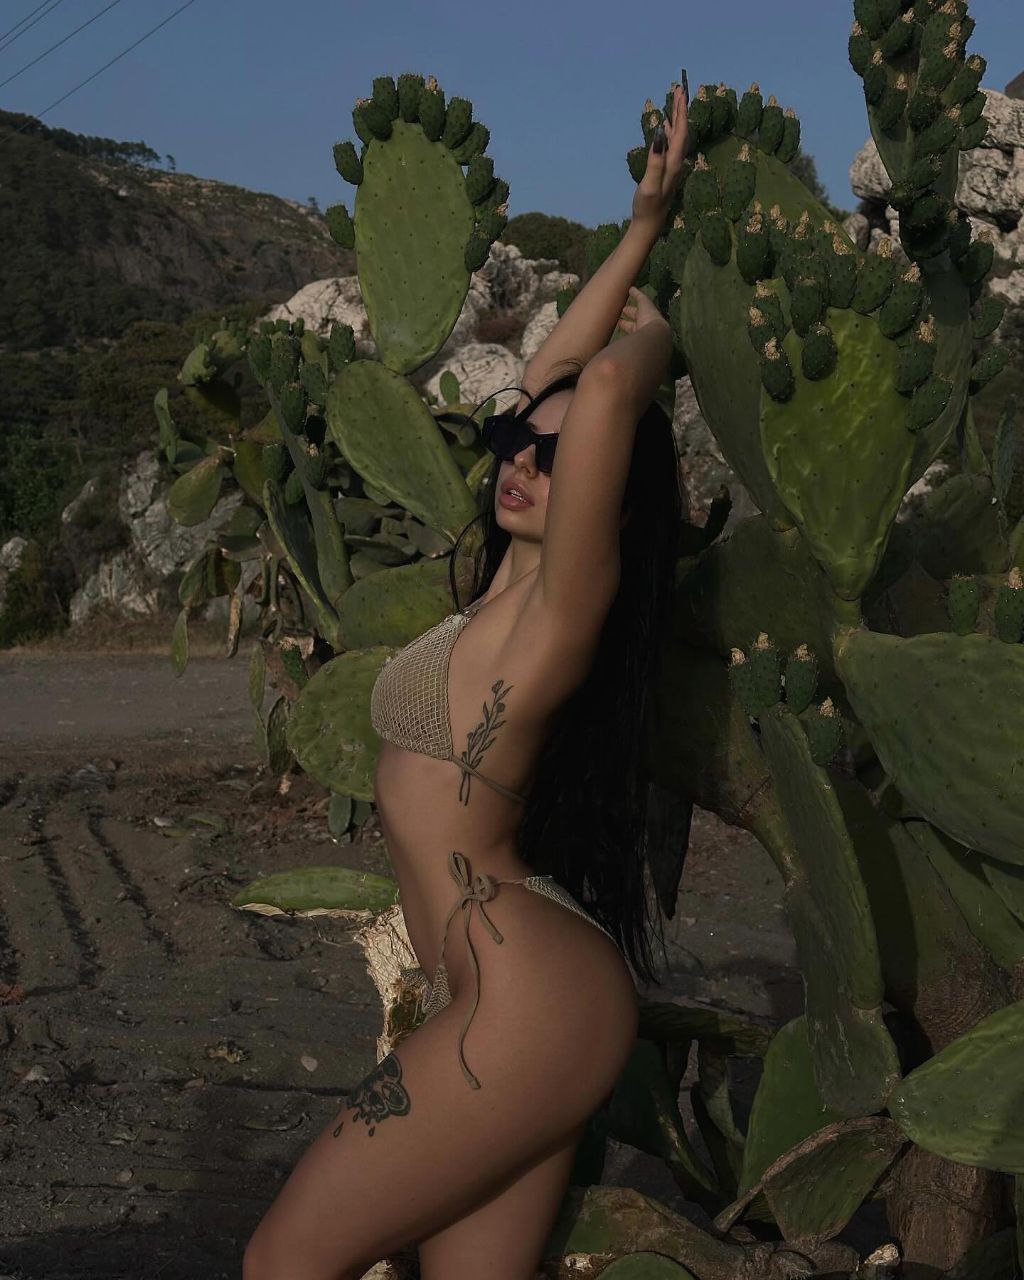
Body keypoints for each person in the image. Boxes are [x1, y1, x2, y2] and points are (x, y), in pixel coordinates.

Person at [244, 77, 689, 1280]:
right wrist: (639, 229)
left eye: (557, 458)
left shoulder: (561, 613)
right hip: (500, 994)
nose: (524, 463)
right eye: (515, 443)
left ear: (604, 490)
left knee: (281, 1263)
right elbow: (560, 375)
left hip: (524, 1000)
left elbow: (601, 388)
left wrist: (657, 335)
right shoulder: (499, 594)